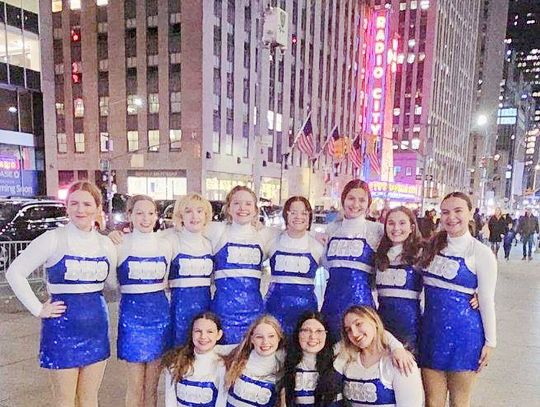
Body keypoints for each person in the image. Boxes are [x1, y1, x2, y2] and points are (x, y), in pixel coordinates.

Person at [6, 181, 117, 406]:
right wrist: (38, 308)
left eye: (87, 204)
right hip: (62, 328)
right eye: (74, 203)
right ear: (66, 207)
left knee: (89, 398)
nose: (80, 209)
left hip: (96, 328)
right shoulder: (53, 239)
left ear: (97, 208)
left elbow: (113, 284)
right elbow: (15, 272)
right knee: (65, 400)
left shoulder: (106, 244)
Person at [418, 192, 497, 407]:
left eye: (458, 211)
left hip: (465, 336)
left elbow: (488, 300)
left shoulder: (481, 253)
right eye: (445, 212)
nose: (451, 217)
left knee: (459, 403)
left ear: (471, 213)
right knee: (432, 402)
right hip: (431, 333)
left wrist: (491, 342)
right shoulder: (430, 247)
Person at [115, 195, 172, 407]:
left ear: (157, 216)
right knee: (135, 385)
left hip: (159, 317)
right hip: (132, 319)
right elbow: (112, 283)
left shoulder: (166, 244)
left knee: (152, 386)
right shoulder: (120, 244)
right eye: (139, 213)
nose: (145, 218)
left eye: (150, 213)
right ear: (130, 215)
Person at [208, 185, 276, 348]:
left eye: (248, 204)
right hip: (222, 313)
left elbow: (294, 235)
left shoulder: (265, 235)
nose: (242, 208)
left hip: (254, 312)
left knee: (250, 360)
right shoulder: (216, 230)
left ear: (255, 209)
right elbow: (183, 232)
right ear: (228, 208)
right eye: (236, 203)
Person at [320, 179, 384, 337]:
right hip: (331, 305)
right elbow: (323, 263)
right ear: (343, 200)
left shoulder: (377, 230)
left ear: (368, 203)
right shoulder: (331, 229)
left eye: (362, 200)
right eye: (351, 198)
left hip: (362, 309)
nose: (356, 204)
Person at [334, 306, 423, 407]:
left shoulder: (399, 361)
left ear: (374, 322)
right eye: (348, 330)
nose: (354, 333)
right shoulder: (348, 361)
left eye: (358, 324)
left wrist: (396, 347)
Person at [265, 196, 324, 336]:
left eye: (304, 213)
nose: (298, 217)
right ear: (285, 214)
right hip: (274, 309)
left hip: (305, 312)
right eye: (293, 212)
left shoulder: (317, 247)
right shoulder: (272, 241)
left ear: (310, 216)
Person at [166, 194, 214, 346]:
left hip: (205, 308)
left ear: (206, 216)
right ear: (180, 216)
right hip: (178, 310)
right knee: (179, 354)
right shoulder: (171, 240)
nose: (195, 216)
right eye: (188, 211)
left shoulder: (209, 244)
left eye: (199, 211)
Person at [373, 206, 422, 354]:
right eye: (391, 223)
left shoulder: (421, 253)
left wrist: (475, 293)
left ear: (412, 227)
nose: (396, 228)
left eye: (402, 223)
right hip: (382, 325)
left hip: (410, 327)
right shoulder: (379, 254)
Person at [162, 312, 227, 407]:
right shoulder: (176, 361)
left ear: (219, 334)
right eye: (198, 331)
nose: (203, 336)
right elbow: (170, 400)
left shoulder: (222, 365)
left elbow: (222, 402)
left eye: (210, 332)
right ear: (191, 333)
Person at [224, 315, 285, 407]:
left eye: (271, 336)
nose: (265, 342)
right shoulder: (239, 355)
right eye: (259, 337)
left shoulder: (285, 363)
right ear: (252, 339)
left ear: (279, 338)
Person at [283, 311, 341, 407]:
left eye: (319, 331)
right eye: (306, 331)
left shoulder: (338, 359)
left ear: (326, 334)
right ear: (298, 334)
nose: (313, 336)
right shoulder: (285, 360)